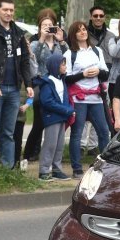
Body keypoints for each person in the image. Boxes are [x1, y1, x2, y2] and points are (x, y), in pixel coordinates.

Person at [0, 0, 34, 168]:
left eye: (11, 10)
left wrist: (29, 85)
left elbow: (25, 61)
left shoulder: (18, 33)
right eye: (5, 10)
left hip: (14, 89)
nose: (9, 13)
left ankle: (7, 170)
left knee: (8, 132)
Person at [64, 21, 110, 178]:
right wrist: (82, 74)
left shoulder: (97, 51)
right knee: (76, 133)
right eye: (79, 30)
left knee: (104, 132)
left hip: (96, 99)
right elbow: (67, 78)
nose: (83, 32)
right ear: (73, 34)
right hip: (79, 99)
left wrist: (98, 71)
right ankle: (77, 168)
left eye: (84, 29)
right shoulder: (69, 54)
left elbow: (106, 73)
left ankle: (104, 167)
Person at [23, 13, 67, 161]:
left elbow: (67, 57)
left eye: (50, 25)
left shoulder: (58, 44)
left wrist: (61, 41)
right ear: (39, 28)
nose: (48, 28)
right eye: (44, 26)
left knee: (53, 120)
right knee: (39, 122)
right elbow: (32, 58)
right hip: (42, 84)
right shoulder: (36, 43)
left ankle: (45, 152)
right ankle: (30, 152)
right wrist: (42, 38)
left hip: (57, 85)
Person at [37, 53, 74, 181]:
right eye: (62, 64)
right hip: (52, 117)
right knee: (50, 144)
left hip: (61, 117)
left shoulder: (61, 80)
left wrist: (68, 109)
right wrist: (66, 110)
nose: (65, 66)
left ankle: (56, 170)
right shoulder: (48, 82)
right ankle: (44, 171)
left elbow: (64, 98)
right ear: (55, 66)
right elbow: (47, 102)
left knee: (59, 145)